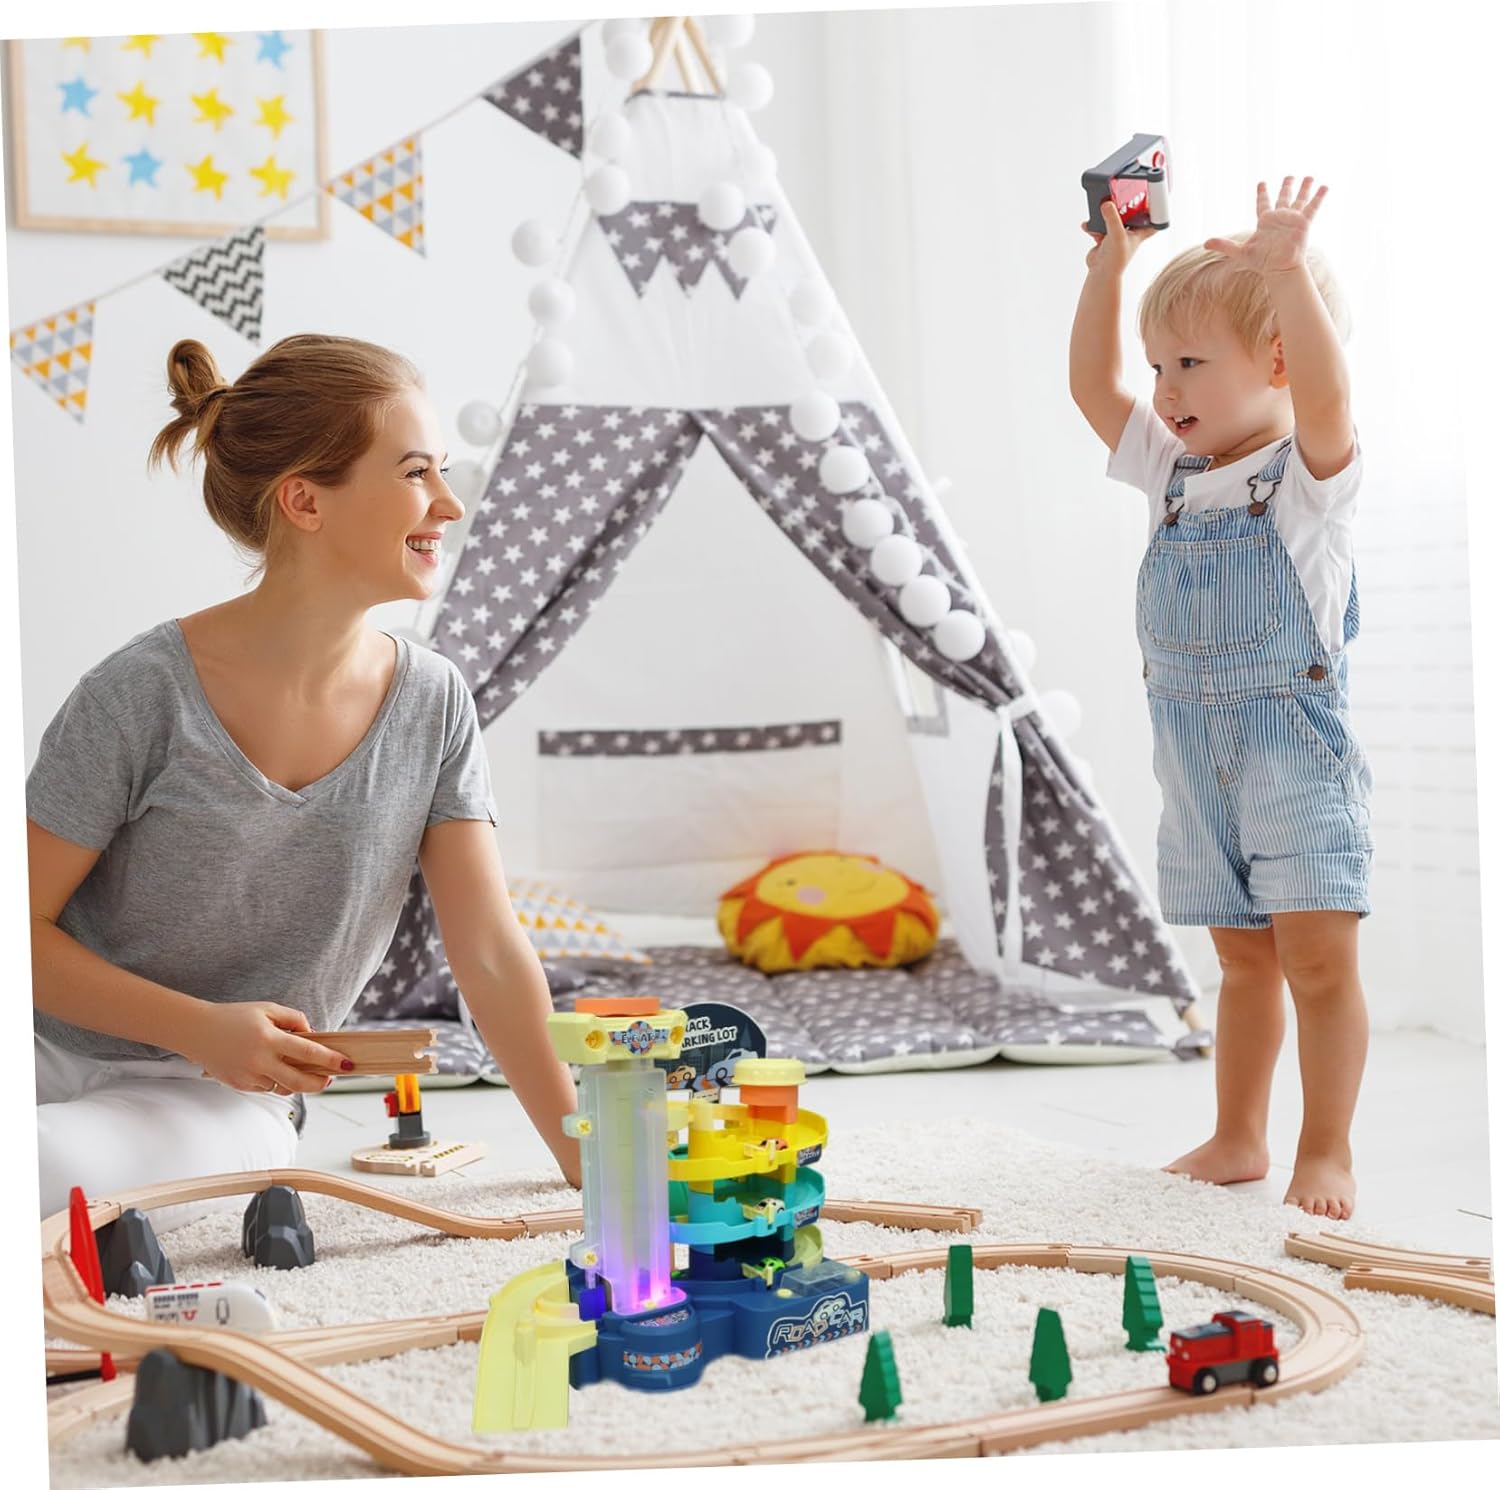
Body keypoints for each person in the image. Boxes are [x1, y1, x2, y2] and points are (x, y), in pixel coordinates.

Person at [28, 333, 581, 1227]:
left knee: (43, 1167)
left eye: (441, 472)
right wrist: (196, 1023)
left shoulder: (434, 703)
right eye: (416, 473)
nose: (448, 503)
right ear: (305, 501)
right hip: (40, 1047)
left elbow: (486, 951)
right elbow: (19, 931)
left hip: (219, 1097)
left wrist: (582, 1147)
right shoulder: (138, 693)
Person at [1068, 178, 1371, 1220]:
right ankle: (1239, 1136)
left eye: (1190, 363)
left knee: (1317, 963)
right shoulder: (1172, 469)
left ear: (1276, 361)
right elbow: (1092, 386)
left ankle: (1325, 1149)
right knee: (1242, 959)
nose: (1164, 390)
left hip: (1293, 758)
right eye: (1160, 365)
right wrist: (1108, 269)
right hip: (1195, 758)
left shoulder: (1307, 479)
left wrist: (1286, 276)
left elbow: (1327, 398)